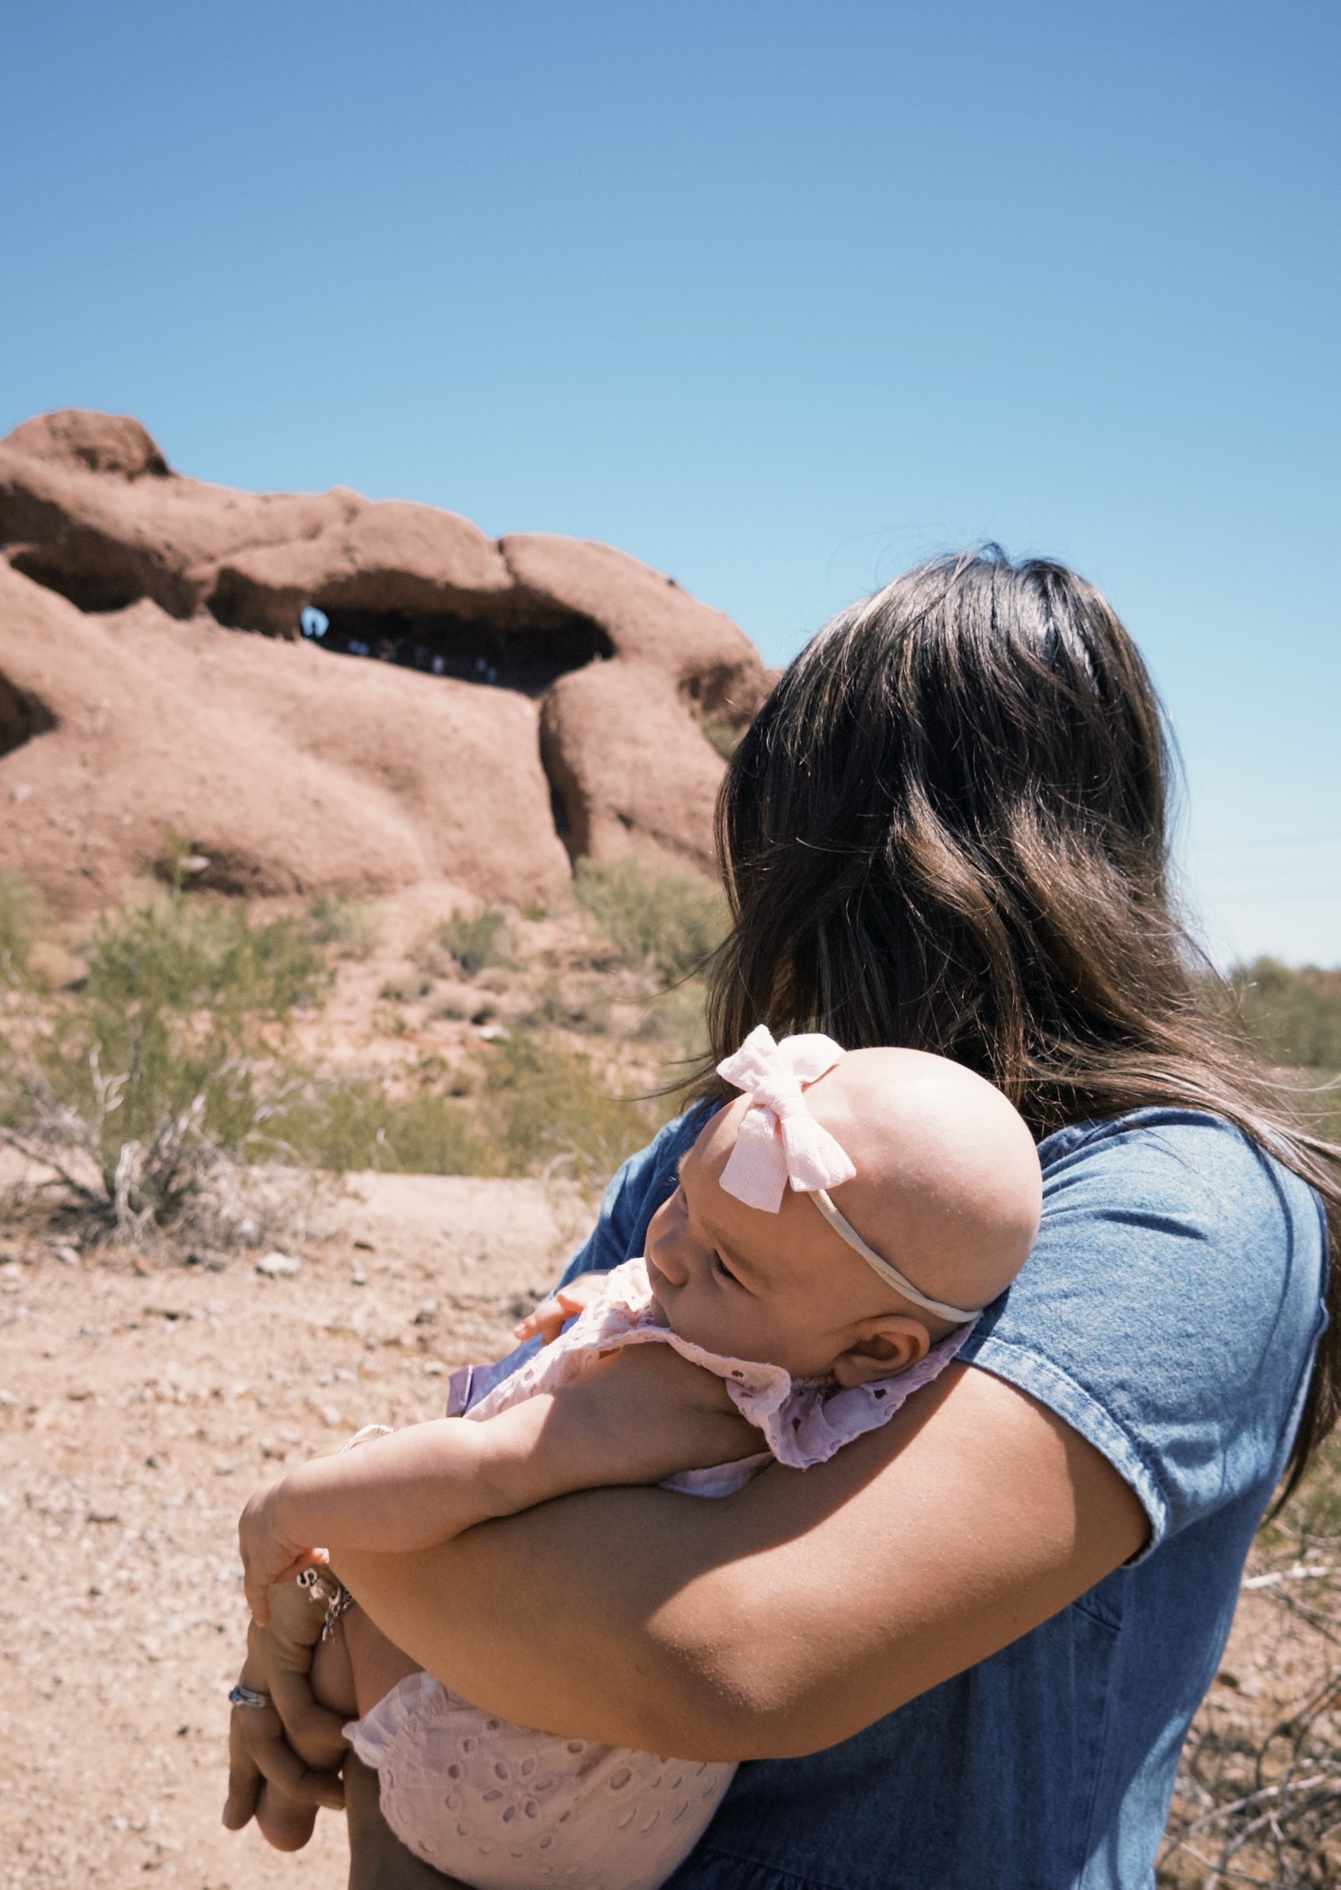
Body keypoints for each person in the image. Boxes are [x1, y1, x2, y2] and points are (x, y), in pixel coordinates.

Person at [224, 549, 1339, 1890]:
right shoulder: (726, 1157)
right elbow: (497, 1459)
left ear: (852, 863)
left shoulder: (1183, 1209)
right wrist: (350, 1574)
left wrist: (334, 1548)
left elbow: (709, 1648)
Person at [236, 1034, 1043, 1888]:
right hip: (637, 1818)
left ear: (880, 1345)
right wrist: (627, 1293)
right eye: (683, 1195)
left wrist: (285, 1509)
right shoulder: (815, 1362)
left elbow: (483, 1465)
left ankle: (299, 1776)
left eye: (725, 1267)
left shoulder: (667, 1394)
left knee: (360, 1581)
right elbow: (706, 1260)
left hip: (502, 1779)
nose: (667, 1250)